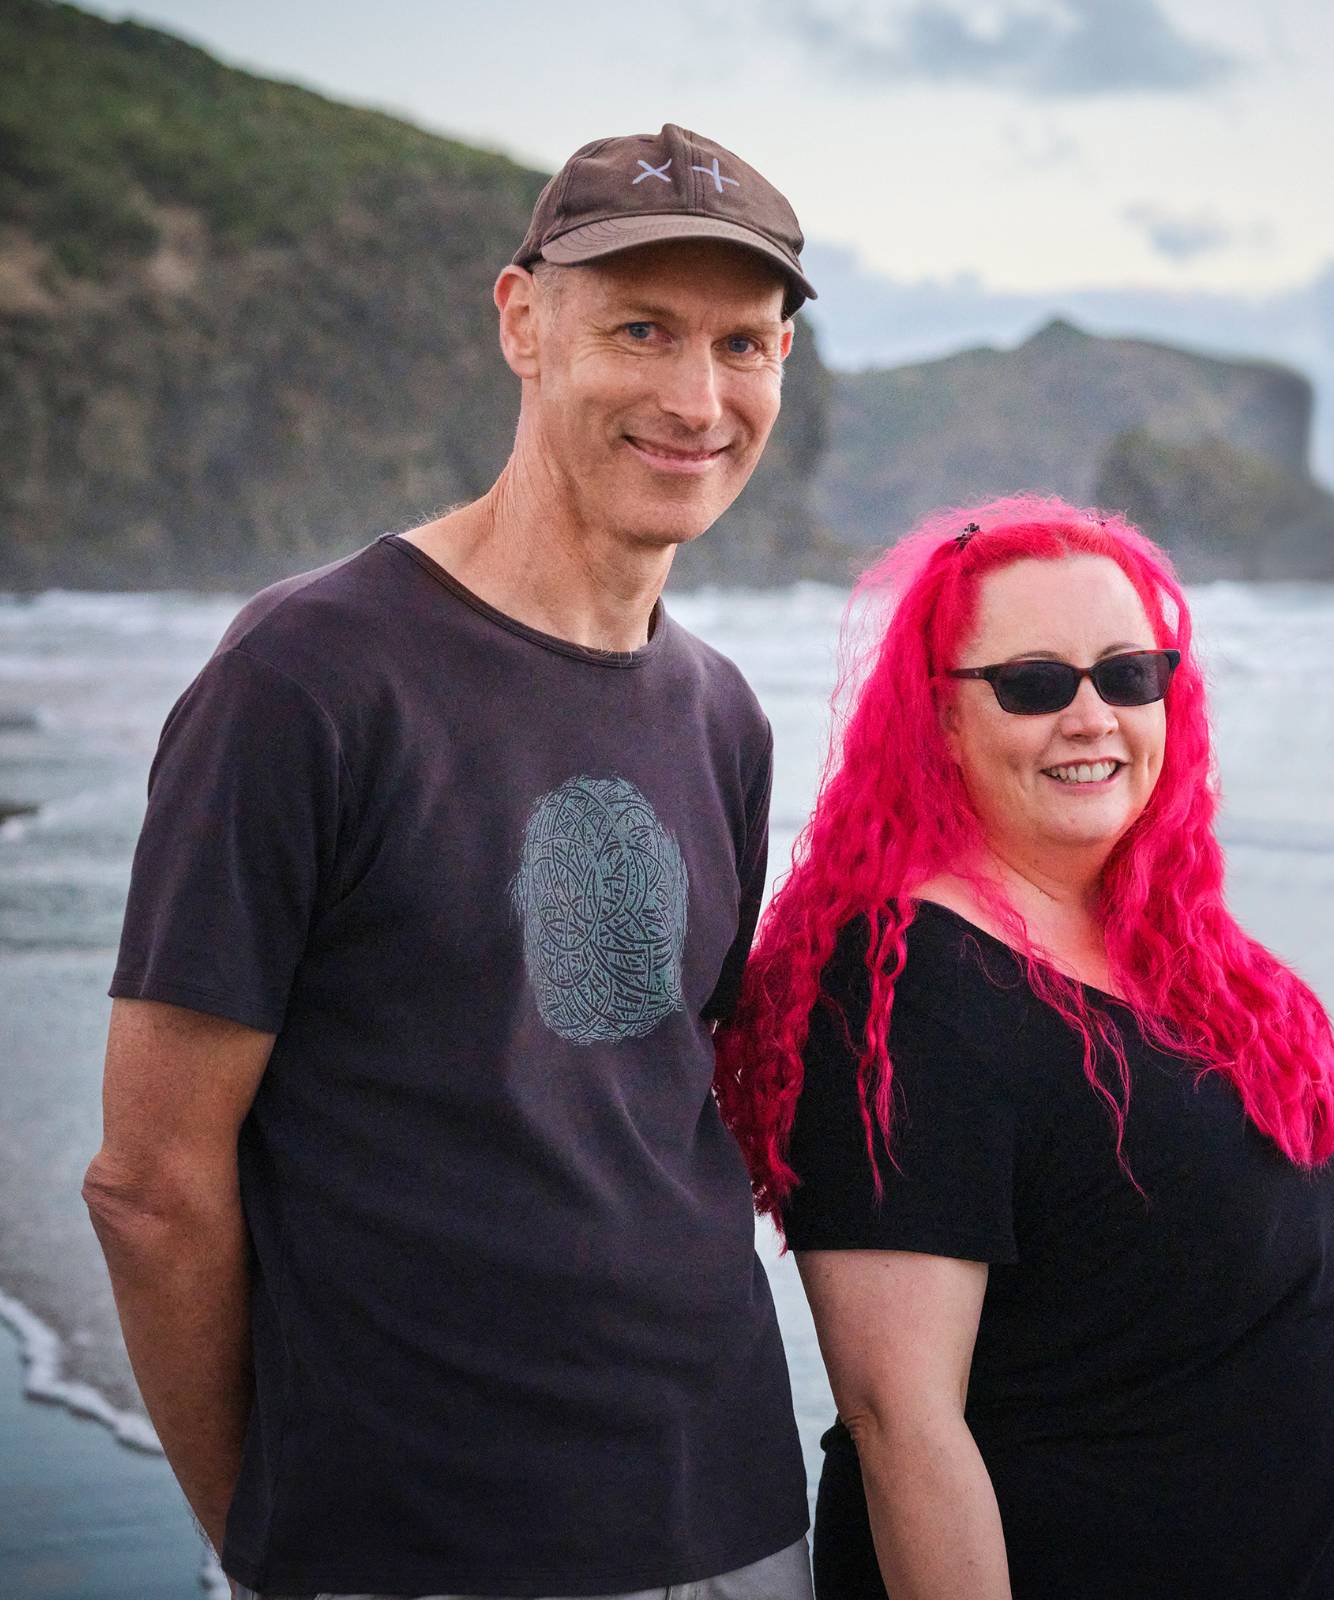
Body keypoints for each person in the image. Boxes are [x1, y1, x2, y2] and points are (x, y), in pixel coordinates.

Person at [84, 126, 817, 1599]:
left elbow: (657, 1106)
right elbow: (151, 1185)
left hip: (737, 1511)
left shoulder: (721, 712)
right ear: (521, 320)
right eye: (642, 330)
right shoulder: (310, 676)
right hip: (422, 1542)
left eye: (745, 344)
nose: (698, 397)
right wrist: (273, 1542)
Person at [715, 496, 1334, 1599]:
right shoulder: (905, 988)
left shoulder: (1172, 945)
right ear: (940, 721)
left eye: (1128, 674)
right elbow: (901, 1423)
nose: (1093, 717)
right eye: (1034, 684)